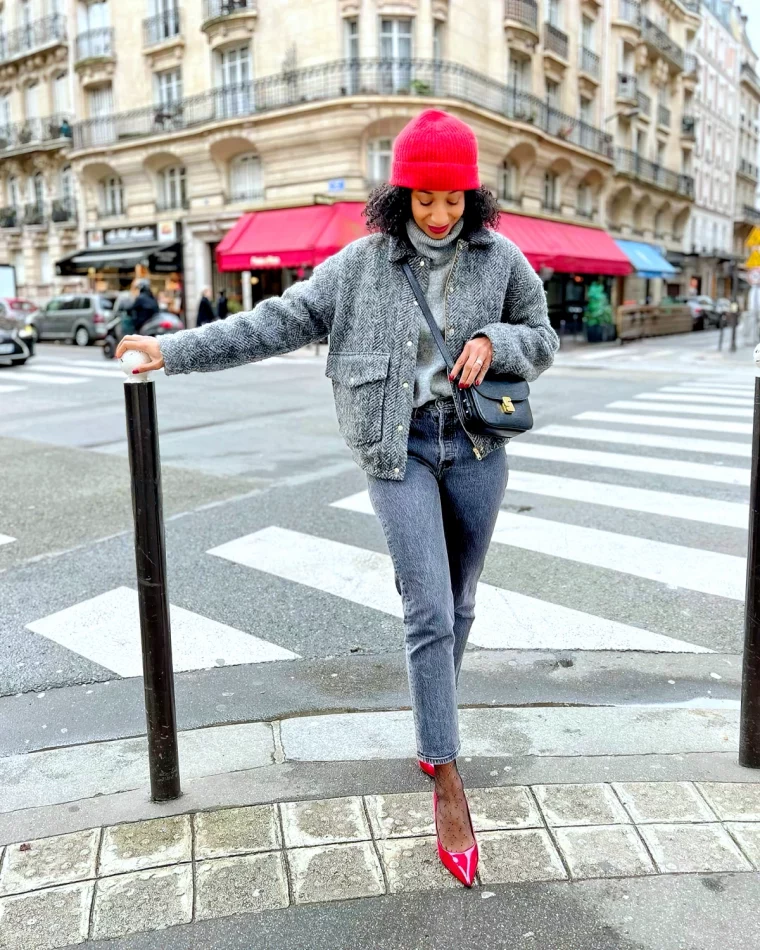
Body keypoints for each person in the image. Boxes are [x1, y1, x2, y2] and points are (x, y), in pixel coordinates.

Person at [116, 109, 558, 888]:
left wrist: (498, 341)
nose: (440, 213)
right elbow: (277, 321)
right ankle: (447, 777)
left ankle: (432, 726)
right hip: (400, 451)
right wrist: (172, 350)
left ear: (472, 195)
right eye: (424, 198)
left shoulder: (501, 258)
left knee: (459, 603)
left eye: (453, 198)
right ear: (400, 195)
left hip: (480, 449)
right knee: (426, 605)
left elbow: (542, 336)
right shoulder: (360, 265)